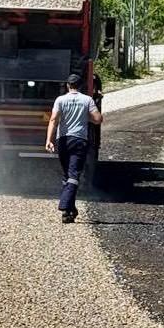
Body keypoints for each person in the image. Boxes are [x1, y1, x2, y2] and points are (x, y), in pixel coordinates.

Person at [45, 73, 103, 224]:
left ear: (67, 86)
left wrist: (49, 140)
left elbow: (53, 119)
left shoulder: (60, 100)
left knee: (68, 175)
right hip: (79, 140)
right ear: (81, 86)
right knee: (73, 175)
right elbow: (98, 120)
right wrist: (86, 117)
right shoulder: (87, 100)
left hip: (62, 140)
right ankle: (65, 206)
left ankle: (70, 211)